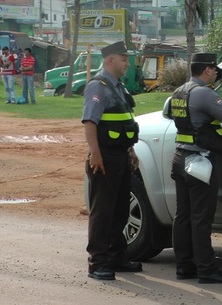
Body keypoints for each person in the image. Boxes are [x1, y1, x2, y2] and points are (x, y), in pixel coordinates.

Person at [168, 53, 222, 284]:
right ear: (206, 70)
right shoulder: (205, 93)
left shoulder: (181, 91)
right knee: (201, 219)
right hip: (199, 161)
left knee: (183, 216)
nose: (216, 73)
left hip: (180, 157)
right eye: (214, 69)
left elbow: (195, 115)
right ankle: (206, 269)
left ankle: (184, 266)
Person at [82, 41, 142, 281]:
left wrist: (130, 150)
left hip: (120, 155)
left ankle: (117, 256)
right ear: (109, 60)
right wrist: (95, 154)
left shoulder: (118, 87)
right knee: (103, 211)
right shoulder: (97, 87)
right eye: (123, 59)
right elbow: (90, 123)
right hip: (104, 157)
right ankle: (98, 263)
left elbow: (123, 121)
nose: (127, 63)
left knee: (120, 209)